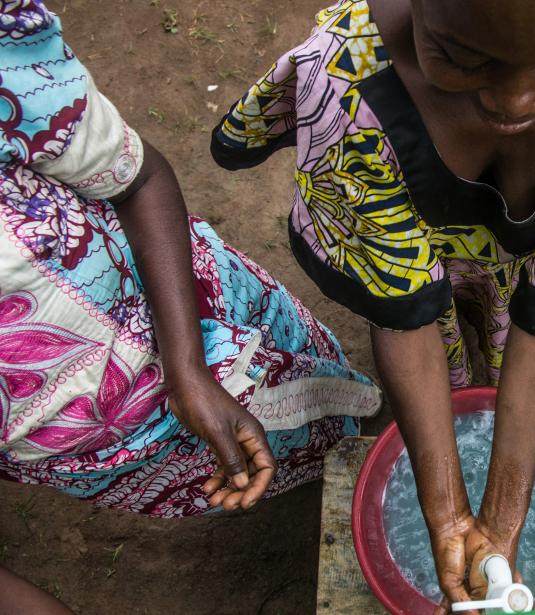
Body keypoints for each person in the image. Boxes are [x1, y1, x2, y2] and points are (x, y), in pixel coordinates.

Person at [212, 0, 535, 610]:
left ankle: (473, 380)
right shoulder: (349, 82)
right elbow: (401, 312)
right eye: (463, 57)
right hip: (418, 250)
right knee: (435, 342)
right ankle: (461, 384)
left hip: (526, 267)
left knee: (501, 347)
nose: (514, 102)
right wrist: (444, 512)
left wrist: (501, 519)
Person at [0, 2, 381, 610]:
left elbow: (135, 177)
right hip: (90, 447)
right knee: (261, 466)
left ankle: (356, 428)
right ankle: (330, 462)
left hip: (189, 303)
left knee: (310, 380)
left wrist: (186, 368)